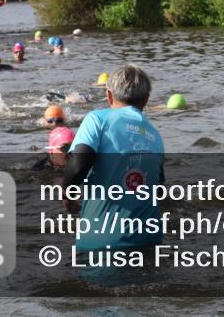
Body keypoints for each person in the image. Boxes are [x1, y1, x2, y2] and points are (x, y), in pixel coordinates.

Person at [62, 65, 165, 253]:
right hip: (150, 241)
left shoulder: (97, 119)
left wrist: (68, 196)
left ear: (109, 95)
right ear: (146, 99)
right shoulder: (155, 136)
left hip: (103, 242)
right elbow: (158, 190)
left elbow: (78, 165)